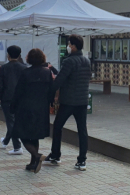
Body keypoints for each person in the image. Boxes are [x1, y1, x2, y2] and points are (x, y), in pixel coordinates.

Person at [45, 34, 91, 171]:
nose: (68, 47)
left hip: (68, 101)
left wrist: (50, 96)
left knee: (58, 126)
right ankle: (82, 160)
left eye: (69, 44)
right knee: (82, 130)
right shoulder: (86, 61)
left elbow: (59, 80)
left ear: (74, 46)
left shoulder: (69, 61)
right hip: (82, 101)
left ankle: (55, 155)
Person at [11, 48, 53, 173]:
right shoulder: (47, 73)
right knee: (35, 136)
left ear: (29, 59)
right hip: (42, 108)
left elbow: (18, 92)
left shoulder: (25, 73)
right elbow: (51, 90)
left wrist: (13, 106)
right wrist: (49, 103)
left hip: (26, 108)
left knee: (19, 133)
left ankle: (37, 156)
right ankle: (33, 163)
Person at [0, 45, 26, 155]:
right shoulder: (24, 67)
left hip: (7, 98)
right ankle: (5, 141)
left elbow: (0, 84)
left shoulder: (4, 68)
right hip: (21, 98)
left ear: (8, 55)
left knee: (11, 122)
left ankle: (17, 147)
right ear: (19, 55)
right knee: (14, 121)